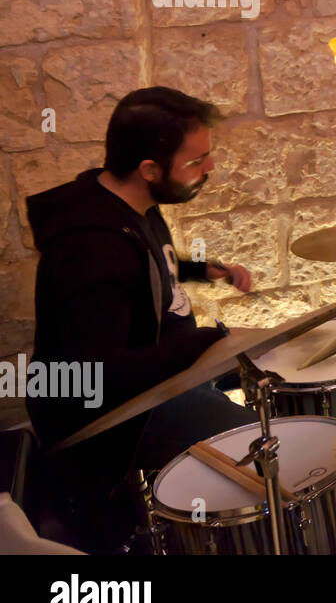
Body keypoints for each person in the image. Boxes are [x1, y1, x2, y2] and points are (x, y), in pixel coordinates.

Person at [26, 87, 257, 553]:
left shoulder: (123, 201)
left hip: (157, 384)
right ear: (149, 169)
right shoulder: (93, 248)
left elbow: (149, 269)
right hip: (106, 419)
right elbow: (100, 376)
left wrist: (205, 271)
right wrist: (206, 344)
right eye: (195, 162)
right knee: (254, 447)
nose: (208, 168)